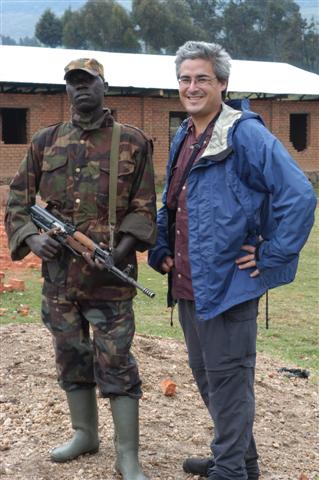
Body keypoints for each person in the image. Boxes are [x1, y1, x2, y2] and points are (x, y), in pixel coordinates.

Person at [148, 41, 316, 480]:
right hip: (189, 284)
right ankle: (243, 460)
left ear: (222, 82)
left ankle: (229, 470)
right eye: (184, 79)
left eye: (202, 78)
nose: (192, 86)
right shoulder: (184, 134)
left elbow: (299, 194)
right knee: (210, 379)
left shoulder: (244, 133)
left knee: (228, 382)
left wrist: (272, 253)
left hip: (228, 285)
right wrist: (162, 245)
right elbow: (172, 201)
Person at [5, 58, 157, 480]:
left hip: (109, 280)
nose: (80, 89)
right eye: (73, 83)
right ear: (67, 91)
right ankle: (84, 434)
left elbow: (145, 209)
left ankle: (127, 455)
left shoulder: (132, 142)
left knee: (116, 361)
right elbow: (18, 202)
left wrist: (118, 252)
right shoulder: (45, 141)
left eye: (88, 82)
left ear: (104, 86)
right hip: (59, 282)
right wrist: (33, 240)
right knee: (71, 355)